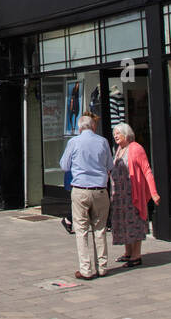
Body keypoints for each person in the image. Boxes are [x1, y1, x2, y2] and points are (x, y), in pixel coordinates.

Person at [59, 114, 113, 280]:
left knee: (81, 230)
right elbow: (110, 165)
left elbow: (64, 165)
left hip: (81, 189)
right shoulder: (103, 142)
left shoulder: (73, 142)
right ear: (93, 127)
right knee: (100, 229)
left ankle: (85, 269)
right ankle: (102, 267)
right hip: (100, 190)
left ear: (79, 128)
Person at [110, 123, 160, 268]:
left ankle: (136, 255)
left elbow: (147, 170)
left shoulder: (136, 148)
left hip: (132, 195)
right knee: (124, 223)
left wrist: (154, 192)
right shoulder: (120, 149)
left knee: (134, 223)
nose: (115, 136)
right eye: (114, 134)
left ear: (126, 134)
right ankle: (128, 252)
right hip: (120, 197)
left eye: (118, 133)